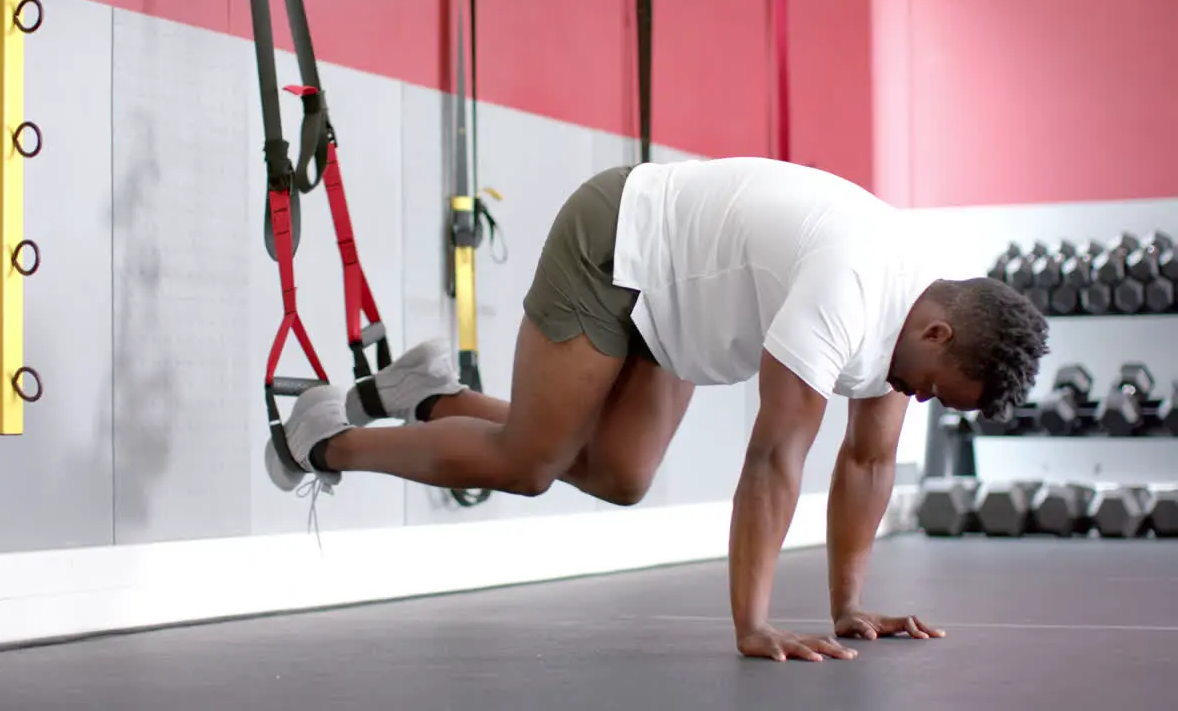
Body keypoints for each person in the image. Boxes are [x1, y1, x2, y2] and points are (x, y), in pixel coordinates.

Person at [264, 157, 1050, 661]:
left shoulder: (917, 321)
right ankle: (323, 440)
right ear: (936, 332)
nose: (920, 400)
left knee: (619, 474)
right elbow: (775, 455)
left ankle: (420, 395)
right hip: (621, 245)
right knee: (528, 462)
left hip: (679, 304)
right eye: (934, 388)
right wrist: (754, 624)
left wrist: (848, 608)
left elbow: (869, 459)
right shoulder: (850, 286)